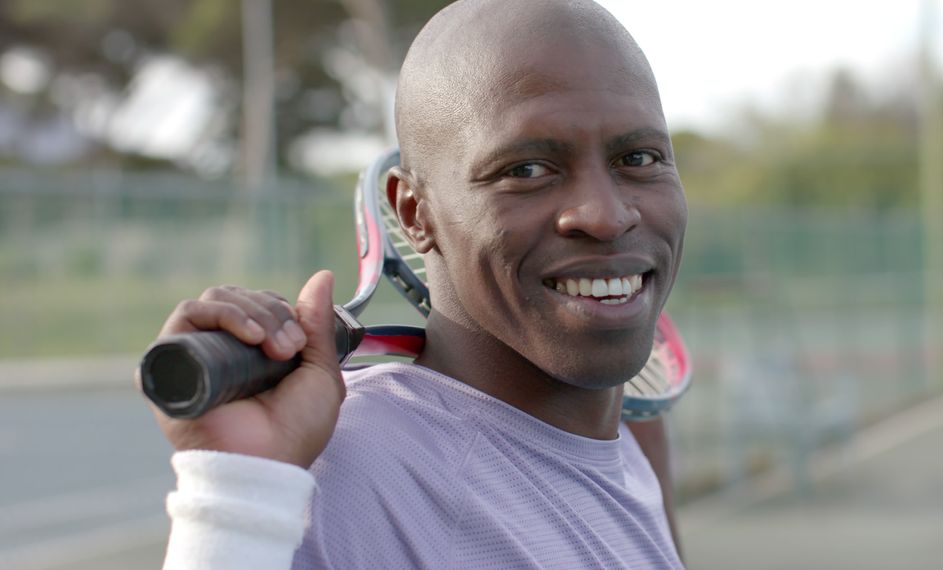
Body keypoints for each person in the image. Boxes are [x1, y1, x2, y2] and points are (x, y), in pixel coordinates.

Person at [148, 0, 688, 567]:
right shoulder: (345, 475)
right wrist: (235, 498)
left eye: (639, 157)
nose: (605, 215)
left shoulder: (629, 447)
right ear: (414, 213)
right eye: (526, 170)